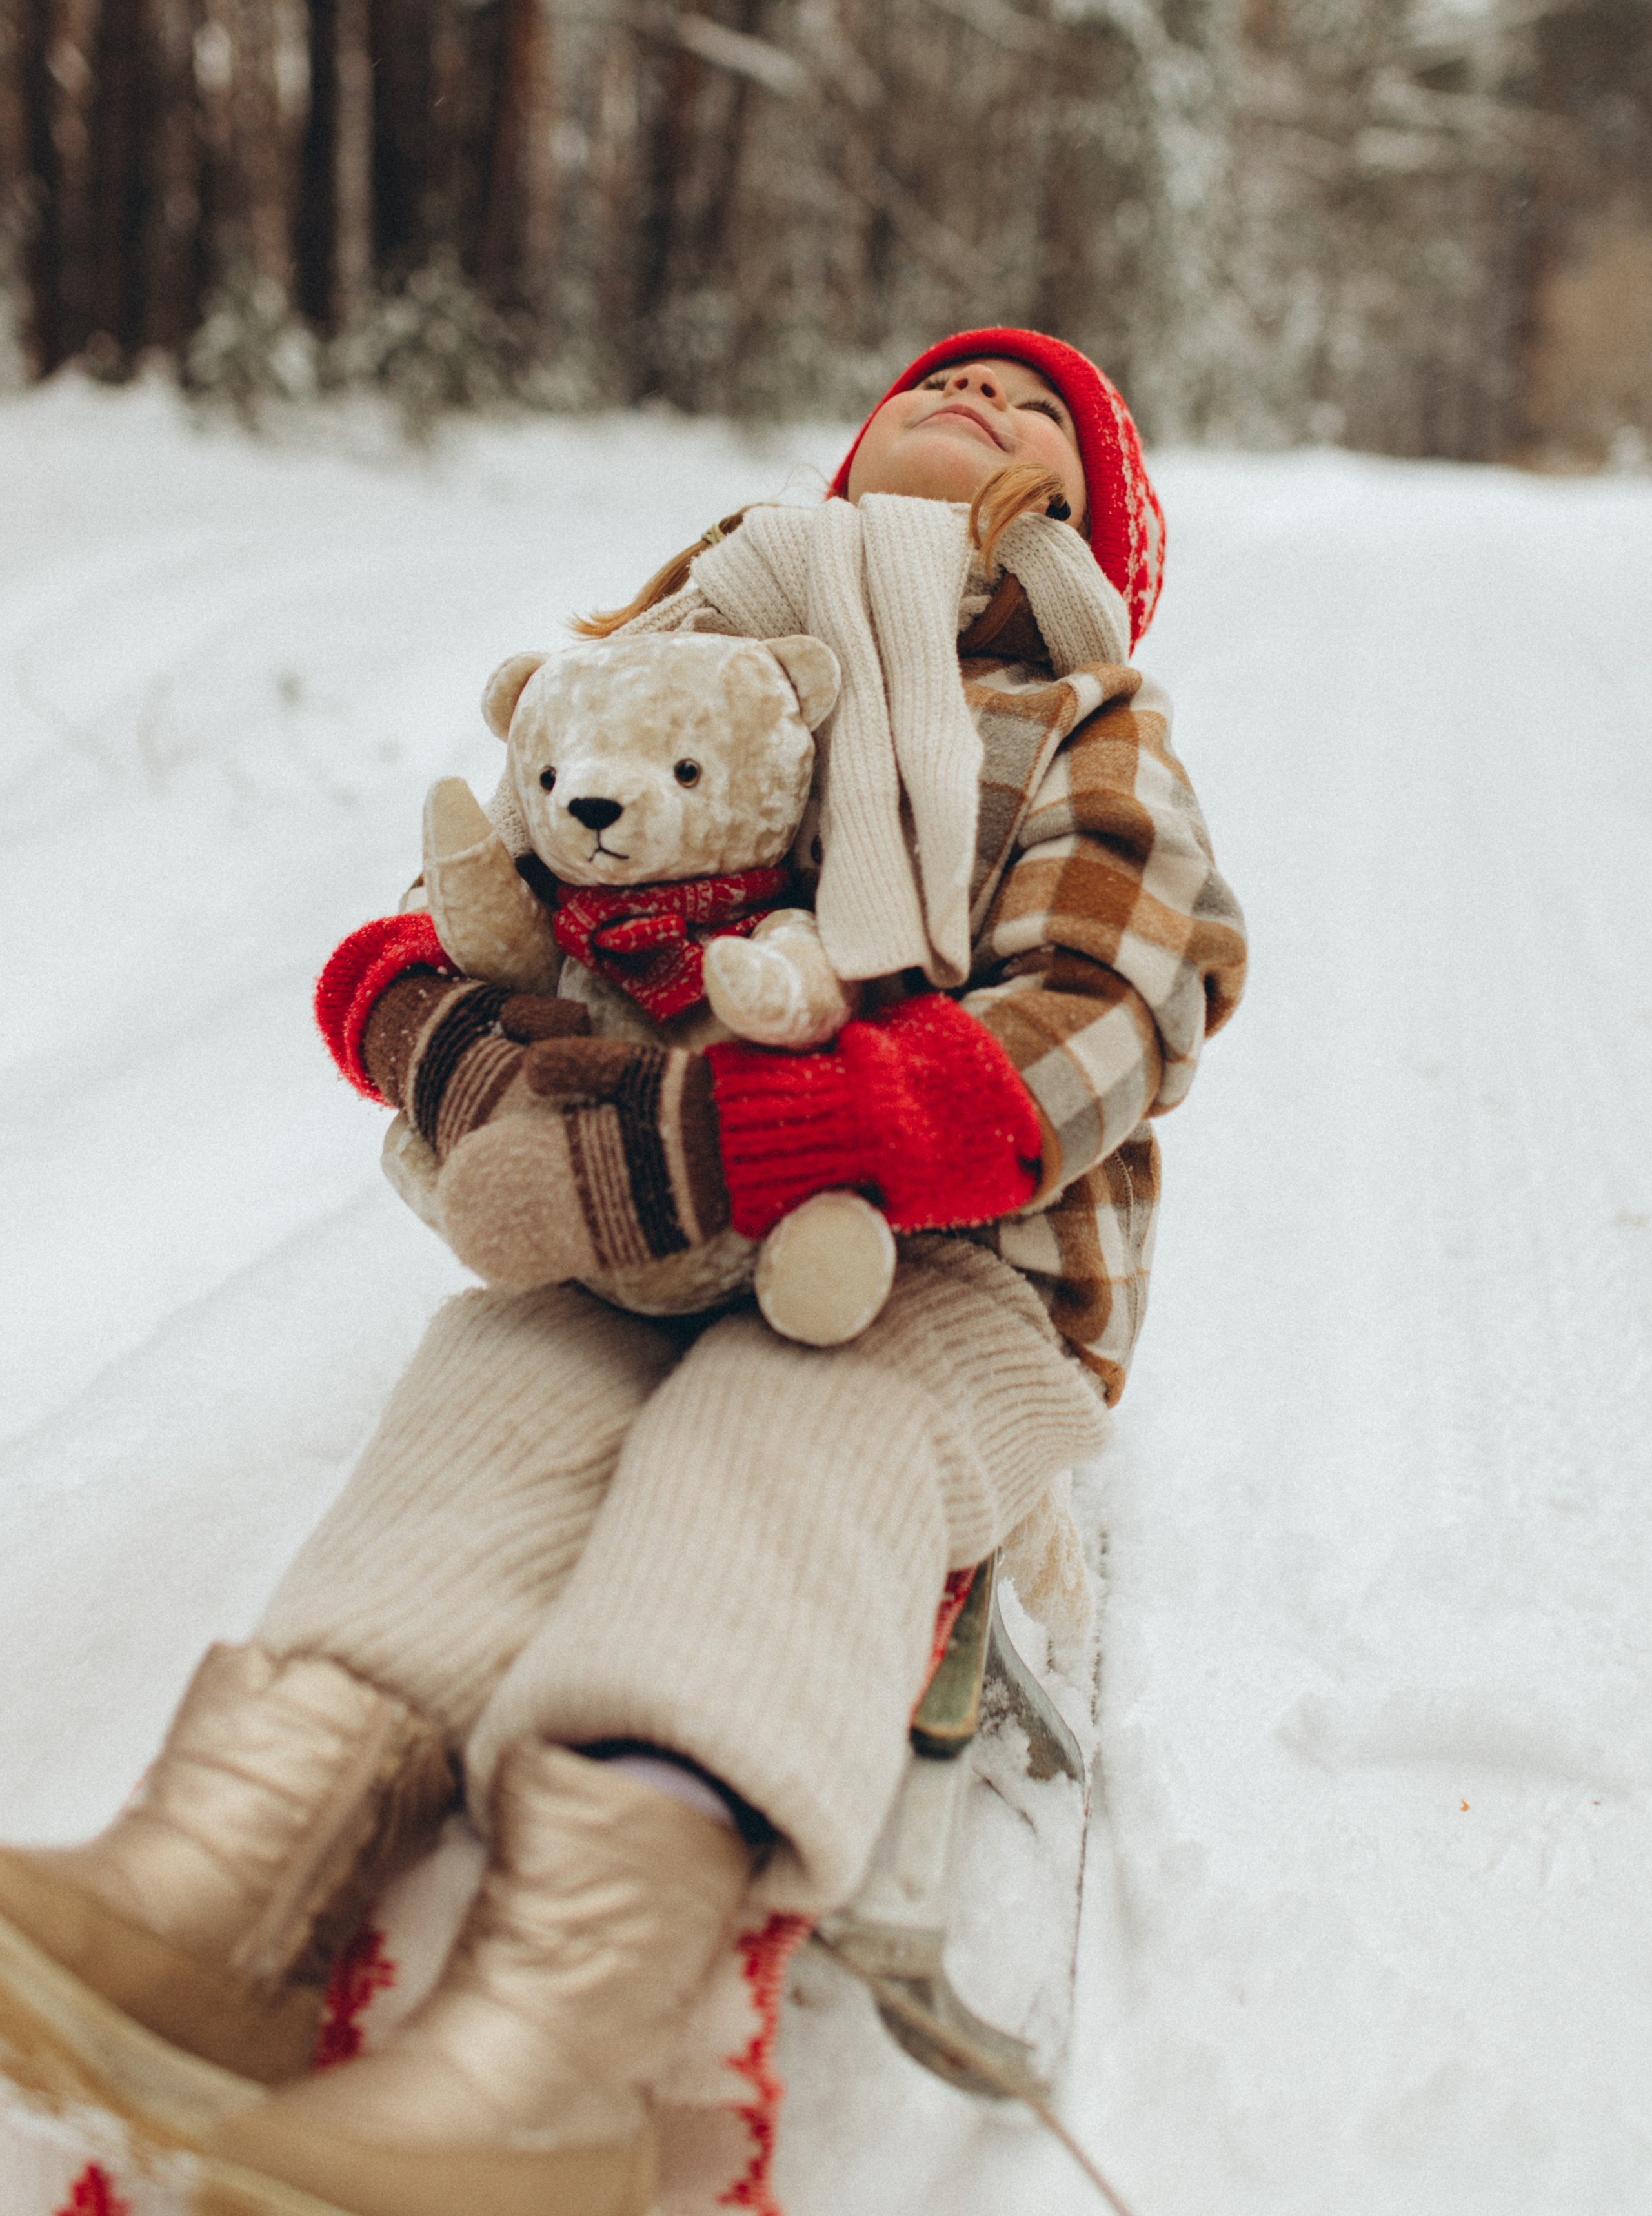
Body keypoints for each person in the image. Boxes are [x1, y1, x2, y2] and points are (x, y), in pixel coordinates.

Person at [0, 331, 1246, 2216]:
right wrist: (496, 1079)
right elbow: (441, 930)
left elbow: (1112, 1007)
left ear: (1092, 520)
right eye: (948, 382)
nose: (987, 401)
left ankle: (558, 2041)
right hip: (633, 1229)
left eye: (1043, 414)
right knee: (489, 1401)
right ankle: (228, 1867)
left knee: (780, 1448)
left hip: (949, 1269)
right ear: (851, 450)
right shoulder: (682, 666)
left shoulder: (1086, 720)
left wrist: (805, 1132)